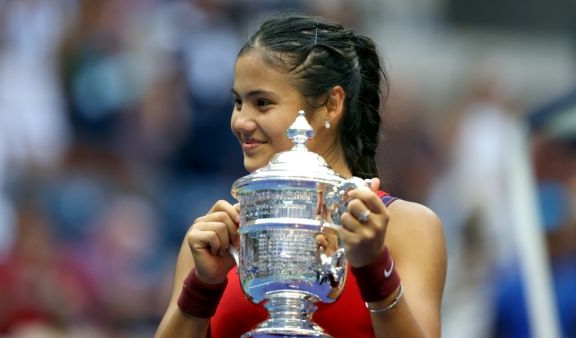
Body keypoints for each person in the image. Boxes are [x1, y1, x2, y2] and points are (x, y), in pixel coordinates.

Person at [156, 14, 446, 338]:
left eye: (262, 103)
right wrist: (202, 287)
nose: (241, 121)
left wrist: (375, 266)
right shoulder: (215, 240)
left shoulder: (406, 227)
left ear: (330, 105)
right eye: (238, 103)